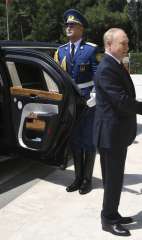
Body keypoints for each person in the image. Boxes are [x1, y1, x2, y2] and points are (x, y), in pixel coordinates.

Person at [93, 28, 142, 237]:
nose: (127, 46)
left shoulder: (115, 64)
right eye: (123, 43)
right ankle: (108, 219)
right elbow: (121, 101)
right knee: (112, 178)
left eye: (127, 42)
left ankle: (113, 212)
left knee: (116, 177)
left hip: (117, 132)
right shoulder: (106, 68)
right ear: (109, 45)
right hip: (110, 133)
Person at [54, 9, 98, 194]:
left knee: (88, 141)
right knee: (74, 142)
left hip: (88, 102)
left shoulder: (91, 49)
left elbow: (99, 76)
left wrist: (96, 95)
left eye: (72, 25)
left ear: (81, 28)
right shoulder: (61, 51)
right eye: (67, 25)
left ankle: (87, 180)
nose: (68, 27)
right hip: (70, 104)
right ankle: (77, 178)